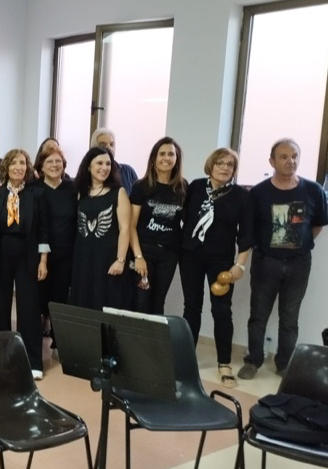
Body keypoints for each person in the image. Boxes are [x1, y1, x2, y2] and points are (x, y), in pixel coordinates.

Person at [239, 138, 328, 380]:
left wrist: (298, 244)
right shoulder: (258, 193)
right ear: (272, 161)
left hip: (299, 263)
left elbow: (318, 224)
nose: (291, 161)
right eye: (284, 156)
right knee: (258, 314)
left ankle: (284, 364)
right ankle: (253, 360)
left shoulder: (313, 191)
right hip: (266, 261)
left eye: (295, 156)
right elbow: (251, 227)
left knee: (290, 318)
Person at [179, 148, 252, 388]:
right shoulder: (195, 188)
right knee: (191, 308)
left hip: (221, 261)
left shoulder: (241, 196)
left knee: (221, 311)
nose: (224, 168)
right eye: (220, 163)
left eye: (230, 165)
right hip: (190, 256)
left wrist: (239, 265)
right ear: (210, 165)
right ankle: (186, 362)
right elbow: (181, 218)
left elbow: (246, 236)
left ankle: (224, 363)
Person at [0, 149, 49, 379]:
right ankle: (2, 359)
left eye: (23, 163)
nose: (19, 167)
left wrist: (43, 260)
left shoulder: (36, 194)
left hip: (27, 255)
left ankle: (33, 361)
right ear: (6, 167)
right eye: (14, 163)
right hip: (0, 254)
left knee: (29, 308)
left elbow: (42, 230)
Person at [69, 146, 132, 311]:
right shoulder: (80, 192)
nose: (104, 168)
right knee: (83, 304)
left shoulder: (118, 193)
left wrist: (120, 261)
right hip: (83, 259)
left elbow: (125, 229)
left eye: (108, 164)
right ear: (89, 166)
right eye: (99, 163)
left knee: (104, 303)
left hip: (107, 260)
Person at [130, 137, 187, 315]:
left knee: (158, 301)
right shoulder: (141, 186)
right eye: (162, 153)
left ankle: (153, 343)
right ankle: (136, 342)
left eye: (171, 154)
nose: (166, 158)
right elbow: (131, 225)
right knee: (141, 301)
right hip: (144, 252)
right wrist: (138, 256)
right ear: (154, 158)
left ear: (176, 159)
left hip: (169, 254)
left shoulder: (183, 187)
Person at [35, 144, 77, 341]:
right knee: (40, 295)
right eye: (49, 161)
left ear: (64, 165)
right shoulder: (34, 189)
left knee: (61, 295)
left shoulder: (73, 188)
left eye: (58, 161)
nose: (54, 165)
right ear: (41, 167)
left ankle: (58, 338)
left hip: (66, 252)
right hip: (38, 253)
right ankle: (40, 328)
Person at [91, 127, 138, 195]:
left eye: (112, 144)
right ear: (93, 148)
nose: (109, 148)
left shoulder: (128, 172)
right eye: (103, 145)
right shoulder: (88, 173)